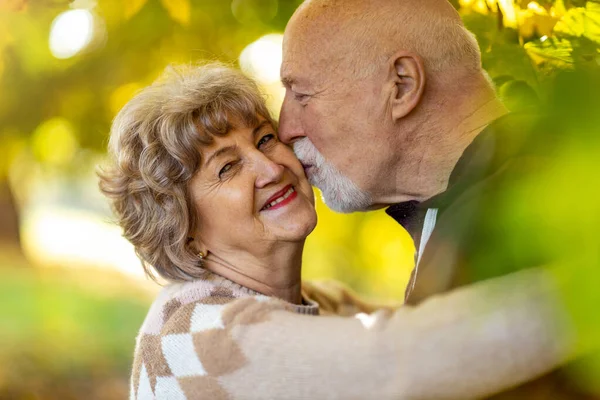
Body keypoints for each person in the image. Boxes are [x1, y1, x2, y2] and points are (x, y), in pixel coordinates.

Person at [98, 62, 577, 400]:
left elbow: (426, 320)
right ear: (184, 232)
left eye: (265, 138)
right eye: (227, 169)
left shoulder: (320, 305)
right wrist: (582, 291)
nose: (270, 167)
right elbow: (401, 361)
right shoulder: (201, 337)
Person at [278, 0, 599, 398]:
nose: (285, 128)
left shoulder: (542, 197)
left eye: (302, 95)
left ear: (402, 84)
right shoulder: (460, 209)